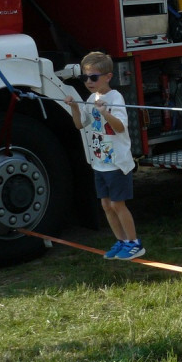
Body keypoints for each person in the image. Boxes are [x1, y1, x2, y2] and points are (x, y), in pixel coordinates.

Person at [64, 51, 143, 260]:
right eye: (85, 77)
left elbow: (120, 127)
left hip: (116, 163)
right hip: (100, 163)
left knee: (118, 204)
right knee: (106, 205)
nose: (88, 82)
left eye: (93, 77)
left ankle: (135, 243)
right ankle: (121, 241)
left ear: (108, 76)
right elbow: (80, 124)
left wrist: (105, 112)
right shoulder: (91, 98)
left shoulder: (116, 98)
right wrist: (74, 107)